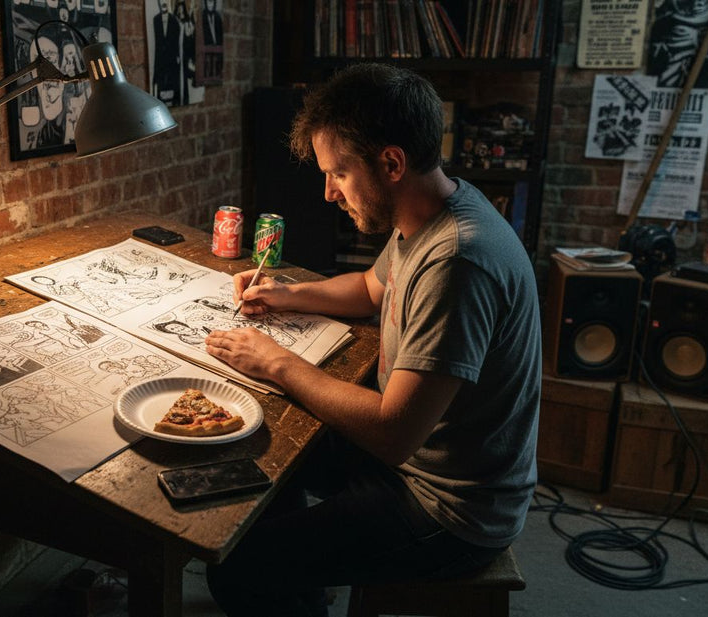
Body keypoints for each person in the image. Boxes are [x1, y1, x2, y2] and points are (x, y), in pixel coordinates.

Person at [203, 63, 542, 615]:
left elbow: (392, 433)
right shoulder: (431, 211)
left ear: (390, 163)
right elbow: (370, 287)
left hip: (448, 509)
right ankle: (306, 589)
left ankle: (294, 587)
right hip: (416, 465)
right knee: (260, 442)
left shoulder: (458, 260)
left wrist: (277, 361)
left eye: (338, 173)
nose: (329, 193)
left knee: (238, 568)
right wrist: (286, 294)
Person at [151, 0, 182, 106]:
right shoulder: (156, 20)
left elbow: (177, 43)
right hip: (159, 60)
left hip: (171, 60)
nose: (164, 3)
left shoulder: (174, 21)